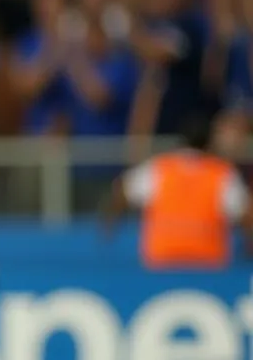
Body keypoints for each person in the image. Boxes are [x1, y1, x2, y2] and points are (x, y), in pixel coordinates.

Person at [104, 114, 252, 269]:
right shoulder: (222, 174)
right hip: (207, 264)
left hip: (161, 261)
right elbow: (245, 214)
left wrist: (110, 222)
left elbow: (122, 190)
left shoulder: (159, 169)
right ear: (209, 142)